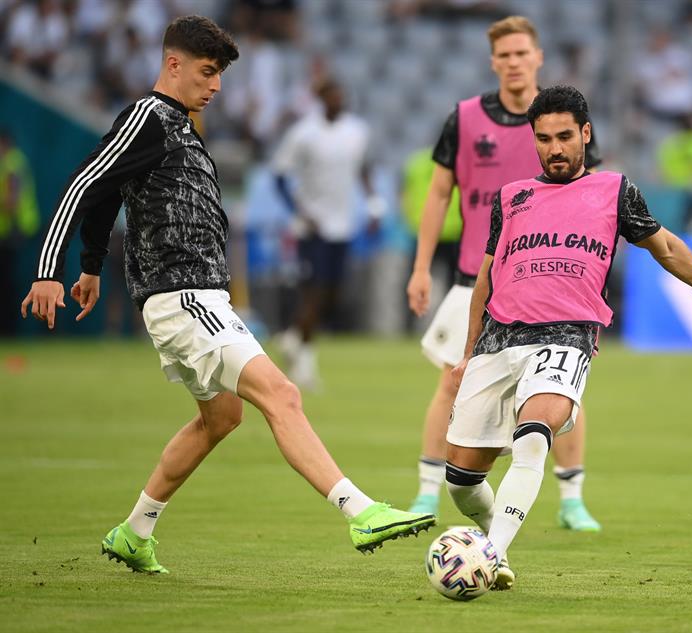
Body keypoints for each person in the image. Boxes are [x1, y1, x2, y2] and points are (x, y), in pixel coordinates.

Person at [20, 15, 434, 575]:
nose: (215, 87)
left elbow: (110, 193)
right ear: (174, 65)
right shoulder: (148, 115)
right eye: (208, 72)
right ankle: (360, 511)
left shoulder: (181, 125)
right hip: (182, 295)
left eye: (220, 76)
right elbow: (85, 182)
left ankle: (134, 531)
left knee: (221, 418)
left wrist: (92, 266)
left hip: (199, 297)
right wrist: (51, 269)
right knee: (282, 394)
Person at [446, 85, 692, 590]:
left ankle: (489, 555)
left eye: (565, 136)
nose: (556, 148)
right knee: (460, 480)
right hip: (498, 339)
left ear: (585, 134)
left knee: (533, 437)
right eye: (544, 138)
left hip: (567, 336)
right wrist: (466, 353)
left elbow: (667, 247)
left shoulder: (614, 190)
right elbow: (486, 278)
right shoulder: (512, 198)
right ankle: (492, 542)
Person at [406, 15, 603, 532]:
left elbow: (593, 196)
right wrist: (422, 266)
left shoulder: (561, 119)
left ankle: (572, 498)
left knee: (559, 396)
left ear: (538, 57)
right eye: (505, 55)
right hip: (477, 275)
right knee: (452, 382)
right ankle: (429, 491)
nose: (514, 63)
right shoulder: (466, 118)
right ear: (494, 62)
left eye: (523, 54)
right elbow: (439, 193)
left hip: (545, 279)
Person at [272, 77, 386, 390]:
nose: (339, 99)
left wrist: (374, 206)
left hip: (343, 224)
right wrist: (300, 213)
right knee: (315, 291)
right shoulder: (303, 133)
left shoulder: (356, 131)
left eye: (341, 94)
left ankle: (293, 337)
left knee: (333, 293)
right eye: (332, 95)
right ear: (321, 99)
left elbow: (363, 169)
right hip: (313, 227)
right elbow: (280, 176)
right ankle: (305, 364)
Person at [0, 129, 40, 337]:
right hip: (19, 229)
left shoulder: (11, 164)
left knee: (9, 284)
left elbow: (11, 202)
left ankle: (10, 329)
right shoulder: (15, 161)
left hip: (14, 231)